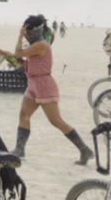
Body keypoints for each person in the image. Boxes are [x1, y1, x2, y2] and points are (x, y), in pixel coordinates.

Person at [10, 15, 93, 164]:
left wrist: (19, 36)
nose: (26, 33)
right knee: (24, 114)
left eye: (27, 30)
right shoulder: (36, 45)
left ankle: (84, 150)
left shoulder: (41, 45)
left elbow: (18, 53)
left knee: (57, 121)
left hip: (44, 85)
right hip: (34, 84)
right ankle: (20, 148)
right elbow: (28, 59)